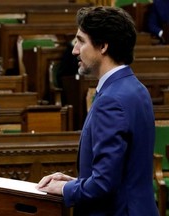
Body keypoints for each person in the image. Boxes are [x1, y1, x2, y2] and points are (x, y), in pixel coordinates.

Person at [36, 6, 159, 216]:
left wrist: (64, 189)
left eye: (81, 41)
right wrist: (77, 183)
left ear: (102, 46)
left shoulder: (111, 100)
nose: (75, 50)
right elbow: (121, 176)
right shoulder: (135, 87)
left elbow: (104, 184)